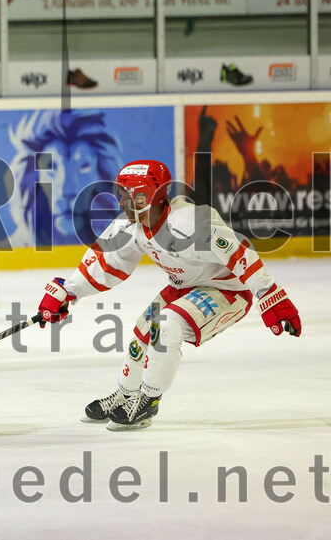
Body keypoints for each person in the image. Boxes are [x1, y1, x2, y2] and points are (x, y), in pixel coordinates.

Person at [36, 160, 301, 431]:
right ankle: (127, 393)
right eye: (122, 195)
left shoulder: (190, 222)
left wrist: (270, 295)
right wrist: (67, 292)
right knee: (142, 331)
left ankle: (148, 400)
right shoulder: (130, 225)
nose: (127, 203)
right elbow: (105, 264)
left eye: (136, 196)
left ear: (157, 196)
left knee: (167, 325)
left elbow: (238, 252)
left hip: (226, 289)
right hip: (182, 285)